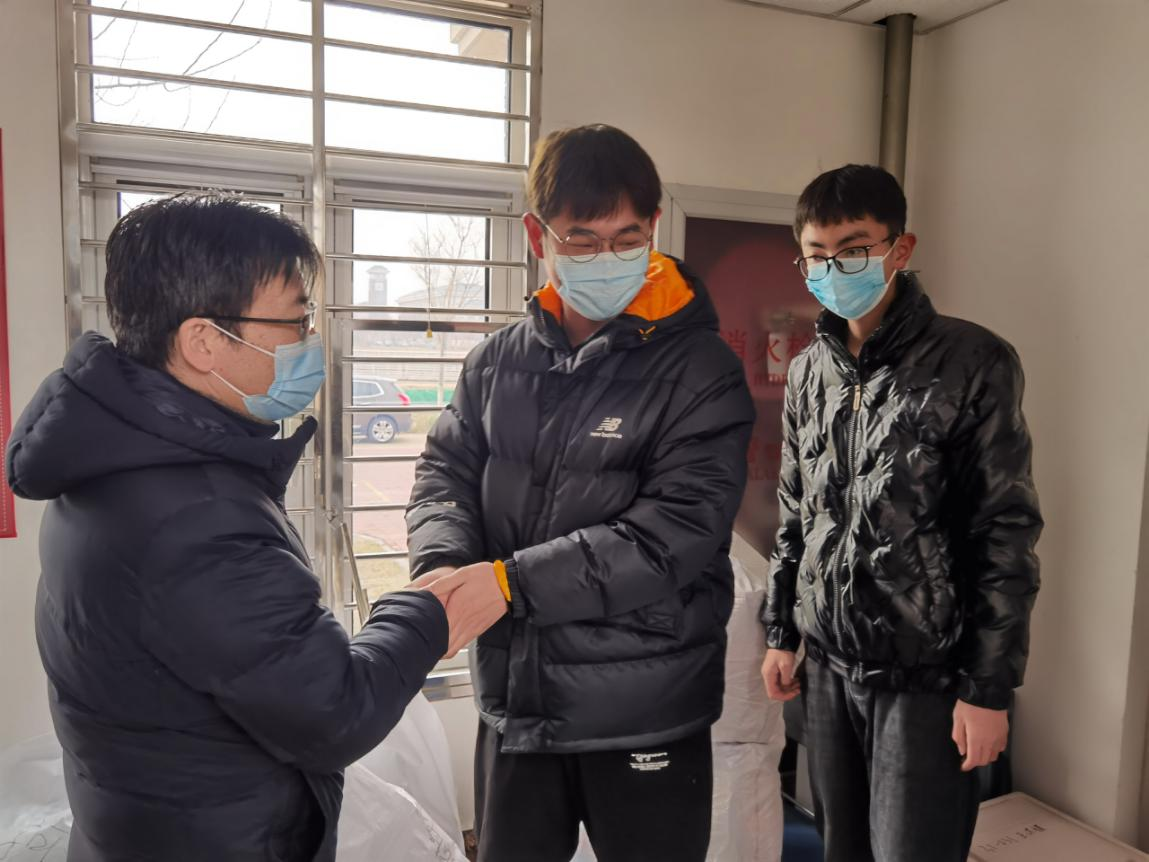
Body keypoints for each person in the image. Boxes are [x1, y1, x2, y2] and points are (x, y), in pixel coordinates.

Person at [4, 194, 469, 862]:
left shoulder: (111, 460)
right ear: (204, 342)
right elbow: (334, 714)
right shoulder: (196, 517)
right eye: (296, 321)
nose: (311, 342)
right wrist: (426, 614)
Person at [405, 124, 755, 862]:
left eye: (627, 238)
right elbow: (444, 475)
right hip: (517, 703)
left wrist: (509, 585)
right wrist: (444, 566)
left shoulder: (701, 371)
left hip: (643, 710)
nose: (608, 257)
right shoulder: (496, 362)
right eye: (583, 239)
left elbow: (673, 535)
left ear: (653, 227)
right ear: (538, 235)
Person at [760, 164, 1043, 862]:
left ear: (900, 248)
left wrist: (987, 690)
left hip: (926, 679)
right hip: (828, 667)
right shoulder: (810, 370)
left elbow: (1003, 531)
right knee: (841, 849)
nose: (834, 268)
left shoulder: (972, 359)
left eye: (853, 249)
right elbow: (795, 511)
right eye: (817, 254)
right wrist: (782, 630)